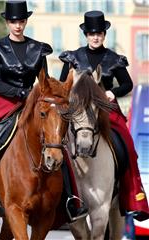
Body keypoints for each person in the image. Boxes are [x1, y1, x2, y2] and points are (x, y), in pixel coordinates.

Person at [0, 1, 86, 229]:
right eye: (13, 21)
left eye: (21, 21)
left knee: (57, 142)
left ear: (25, 21)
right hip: (3, 102)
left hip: (36, 104)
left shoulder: (39, 48)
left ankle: (70, 199)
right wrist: (23, 92)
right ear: (7, 22)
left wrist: (40, 95)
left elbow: (44, 80)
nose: (17, 25)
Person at [59, 10, 149, 220]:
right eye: (91, 33)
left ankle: (133, 198)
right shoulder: (73, 57)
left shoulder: (114, 59)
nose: (95, 36)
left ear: (104, 35)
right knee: (55, 143)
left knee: (128, 146)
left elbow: (127, 84)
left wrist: (112, 92)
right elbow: (63, 85)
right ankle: (60, 198)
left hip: (107, 110)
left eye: (99, 33)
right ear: (86, 35)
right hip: (78, 111)